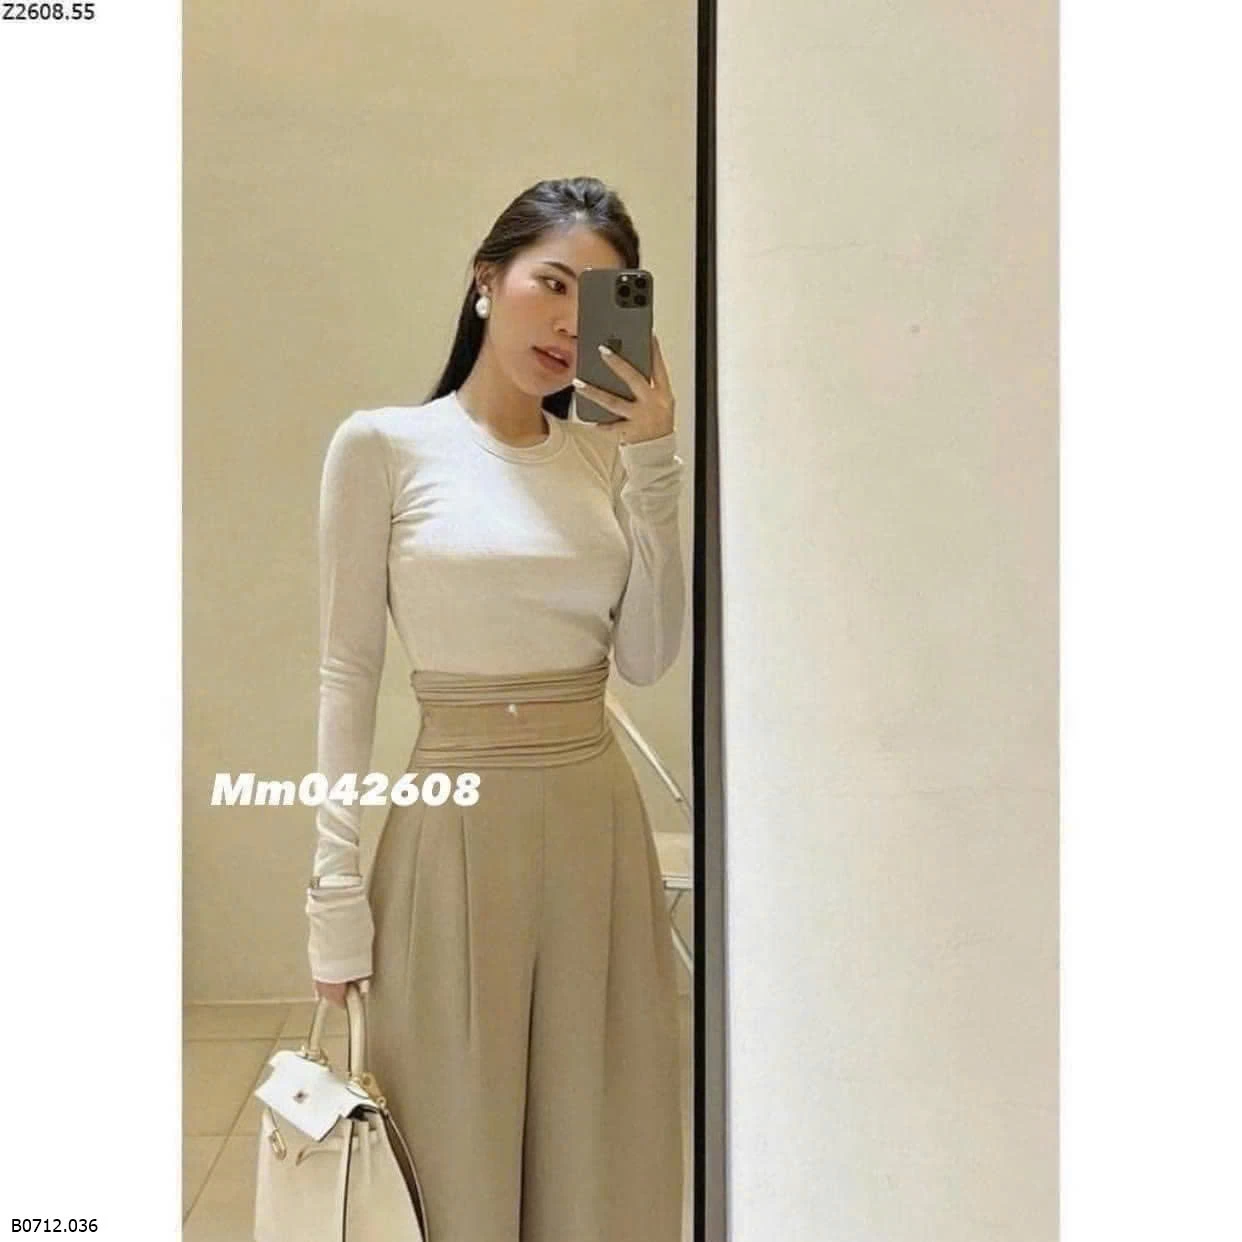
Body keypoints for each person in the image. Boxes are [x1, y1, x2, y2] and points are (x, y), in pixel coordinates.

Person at [304, 176, 686, 1242]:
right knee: (452, 1147)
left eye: (595, 298)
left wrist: (655, 462)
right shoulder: (383, 446)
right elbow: (346, 671)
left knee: (599, 1145)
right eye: (549, 284)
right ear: (487, 281)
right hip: (454, 835)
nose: (567, 322)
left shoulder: (602, 459)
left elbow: (648, 657)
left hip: (595, 828)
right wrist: (331, 892)